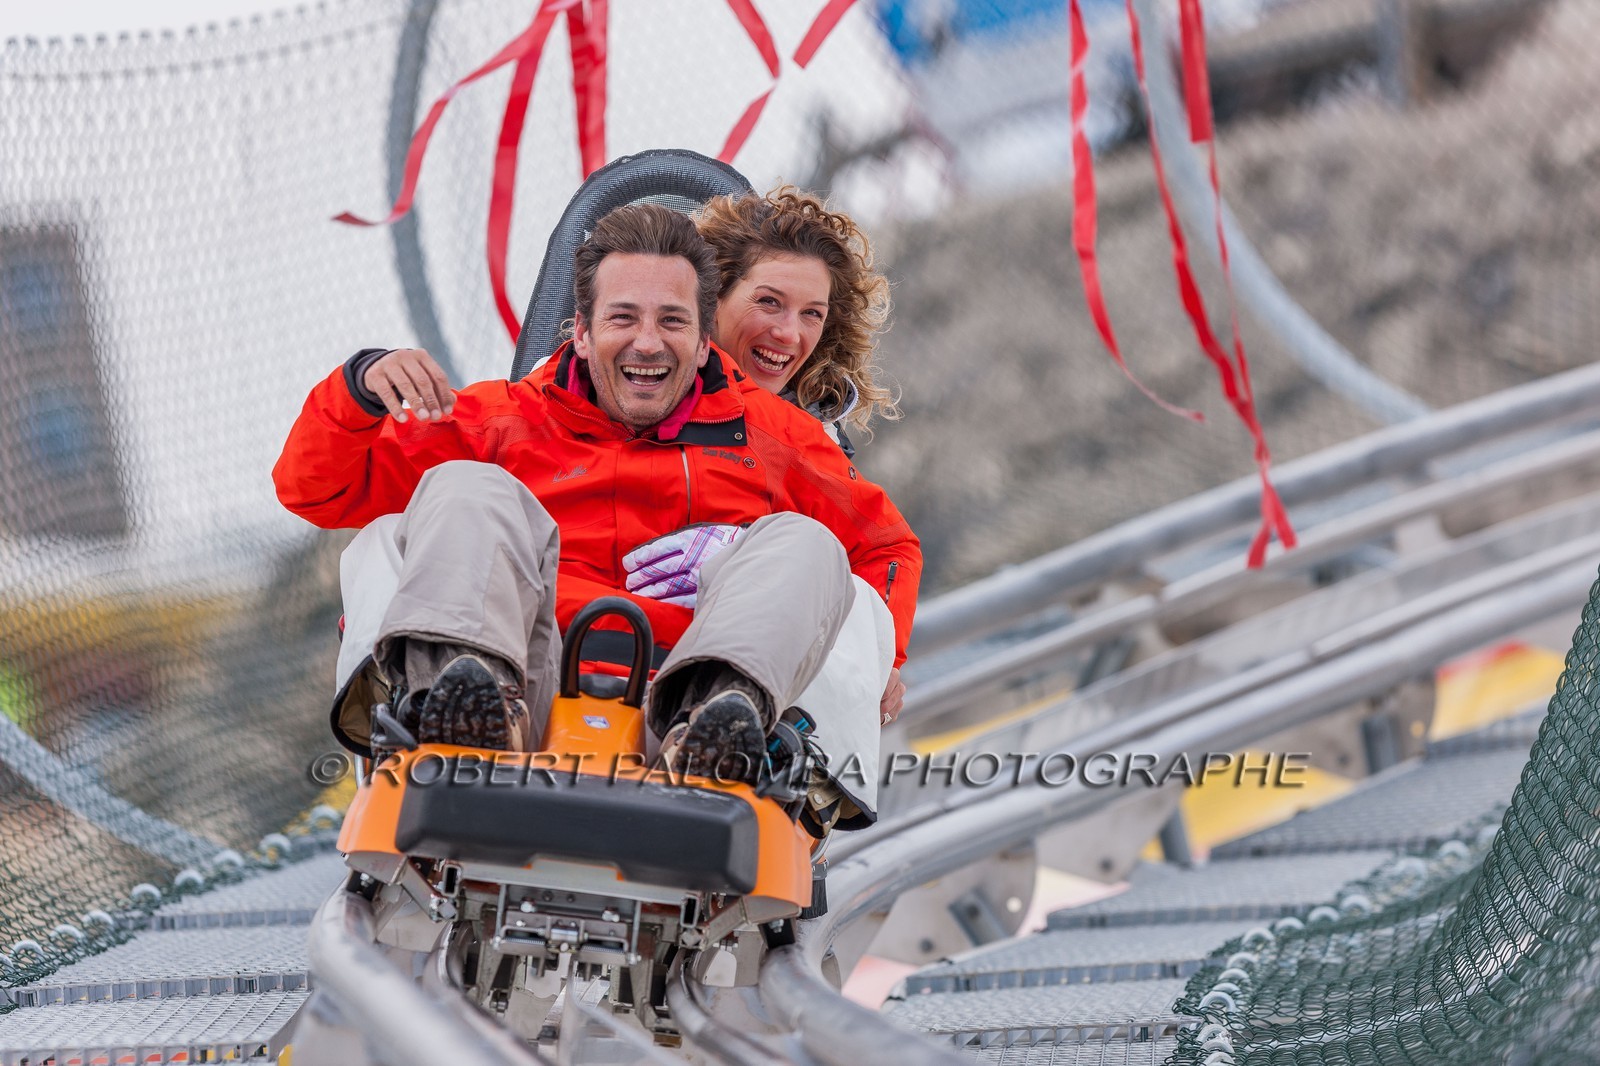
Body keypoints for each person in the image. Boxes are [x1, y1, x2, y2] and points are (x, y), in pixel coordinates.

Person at [274, 204, 920, 813]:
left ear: (703, 342)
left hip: (679, 706)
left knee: (806, 542)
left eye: (672, 322)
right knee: (462, 487)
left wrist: (876, 651)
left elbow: (886, 547)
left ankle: (720, 734)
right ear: (581, 333)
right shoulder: (499, 422)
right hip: (525, 693)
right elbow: (316, 489)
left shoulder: (778, 440)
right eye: (623, 319)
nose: (648, 343)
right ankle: (462, 707)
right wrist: (359, 386)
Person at [695, 186, 895, 459]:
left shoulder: (822, 449)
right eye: (769, 301)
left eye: (812, 313)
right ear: (712, 296)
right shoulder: (646, 404)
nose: (789, 334)